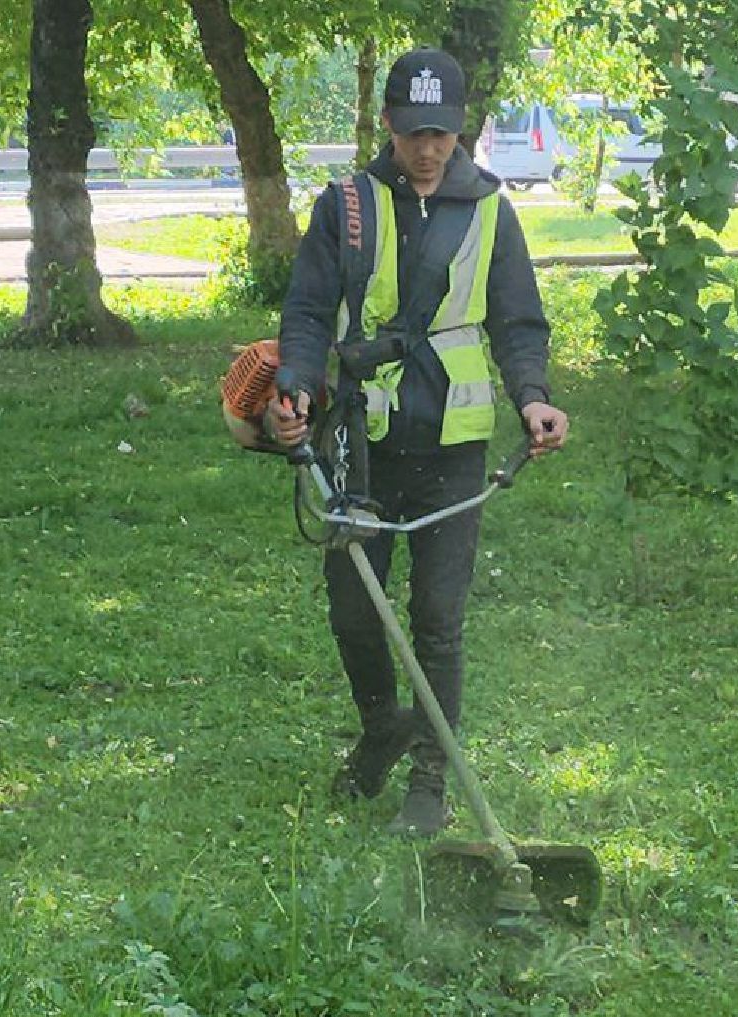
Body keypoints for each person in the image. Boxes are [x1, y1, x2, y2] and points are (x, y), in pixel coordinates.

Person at [264, 47, 569, 837]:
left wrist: (533, 399)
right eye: (410, 133)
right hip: (358, 443)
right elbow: (305, 312)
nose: (425, 149)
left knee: (436, 617)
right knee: (354, 611)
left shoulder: (493, 210)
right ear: (388, 128)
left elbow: (518, 322)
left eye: (438, 133)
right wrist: (295, 385)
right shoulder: (347, 204)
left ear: (460, 128)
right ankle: (381, 726)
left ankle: (431, 776)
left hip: (453, 447)